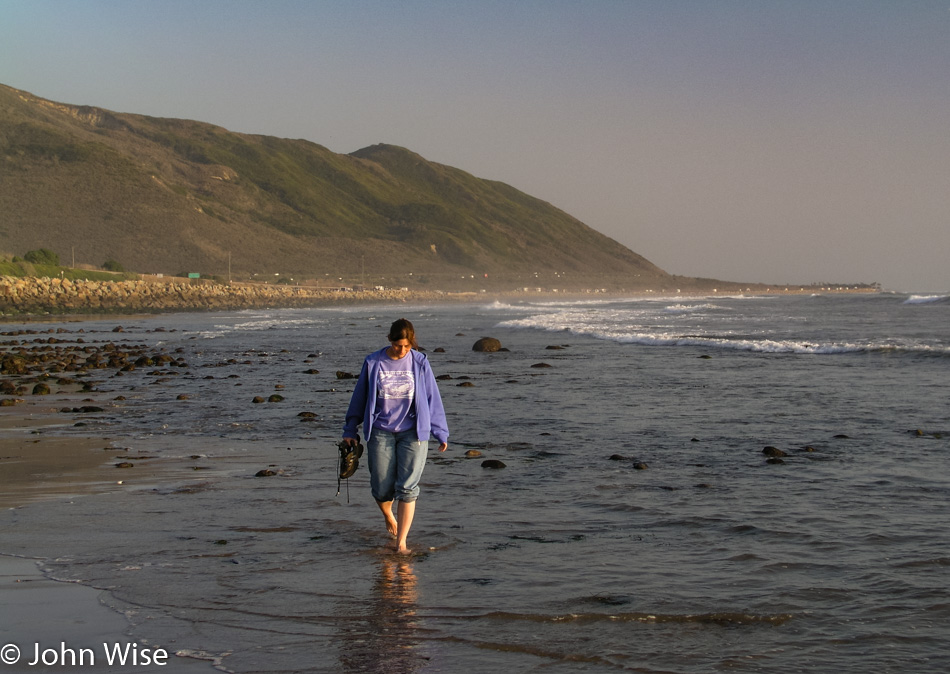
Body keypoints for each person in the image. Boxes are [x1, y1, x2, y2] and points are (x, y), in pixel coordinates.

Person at [342, 318, 449, 554]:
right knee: (381, 487)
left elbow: (432, 397)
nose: (402, 351)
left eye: (407, 346)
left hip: (413, 433)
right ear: (389, 340)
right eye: (398, 345)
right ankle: (388, 514)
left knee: (408, 488)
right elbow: (359, 398)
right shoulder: (373, 362)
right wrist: (350, 430)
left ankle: (401, 543)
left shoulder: (420, 362)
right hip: (381, 432)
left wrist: (440, 431)